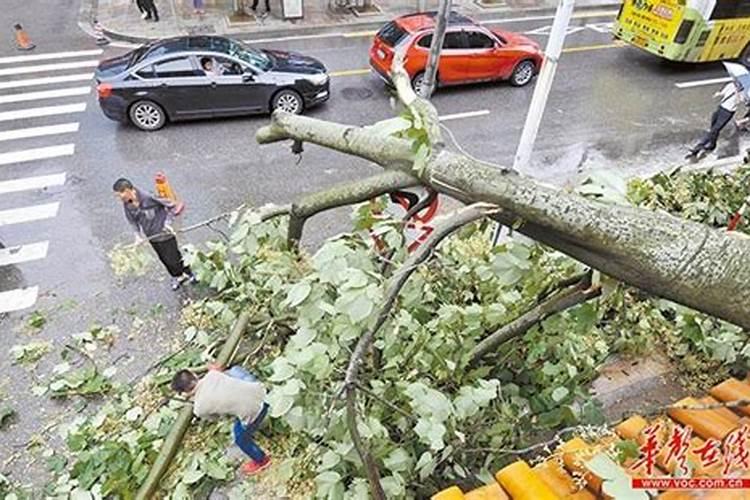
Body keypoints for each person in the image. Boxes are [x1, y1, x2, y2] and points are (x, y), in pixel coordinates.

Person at [171, 365, 272, 475]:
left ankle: (261, 460)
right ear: (194, 375)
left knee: (240, 438)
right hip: (262, 392)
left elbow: (217, 418)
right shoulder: (213, 375)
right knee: (234, 370)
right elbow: (216, 370)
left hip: (257, 410)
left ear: (184, 392)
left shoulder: (199, 408)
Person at [112, 178, 195, 290]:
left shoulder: (148, 197)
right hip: (152, 236)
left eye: (120, 194)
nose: (119, 198)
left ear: (128, 190)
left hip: (165, 233)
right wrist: (137, 235)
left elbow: (173, 205)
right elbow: (132, 220)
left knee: (173, 256)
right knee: (164, 258)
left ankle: (189, 273)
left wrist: (168, 223)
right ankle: (177, 276)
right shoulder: (127, 204)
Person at [686, 82, 741, 160]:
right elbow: (723, 92)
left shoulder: (744, 91)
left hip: (728, 112)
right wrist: (719, 94)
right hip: (721, 107)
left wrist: (737, 92)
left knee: (714, 130)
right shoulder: (731, 84)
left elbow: (739, 101)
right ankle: (712, 144)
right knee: (713, 128)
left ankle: (697, 148)